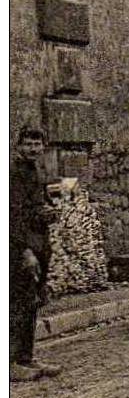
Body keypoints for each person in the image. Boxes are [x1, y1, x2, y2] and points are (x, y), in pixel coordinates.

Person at [10, 124, 61, 382]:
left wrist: (50, 211)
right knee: (16, 304)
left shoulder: (35, 170)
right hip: (18, 247)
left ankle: (26, 358)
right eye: (28, 144)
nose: (33, 149)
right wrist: (24, 251)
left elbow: (37, 204)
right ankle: (10, 362)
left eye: (37, 144)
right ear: (18, 145)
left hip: (38, 243)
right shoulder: (13, 173)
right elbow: (13, 216)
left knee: (30, 303)